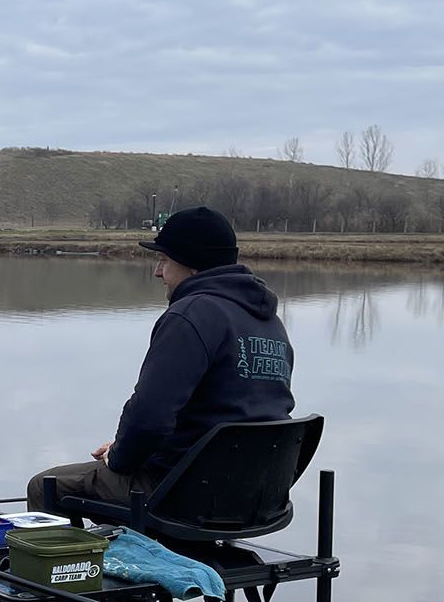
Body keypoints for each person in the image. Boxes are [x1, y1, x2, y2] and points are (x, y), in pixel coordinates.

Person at [29, 204, 296, 519]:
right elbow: (230, 415)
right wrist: (124, 447)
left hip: (185, 492)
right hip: (256, 495)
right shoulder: (268, 322)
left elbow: (149, 417)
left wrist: (118, 460)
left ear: (191, 266)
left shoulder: (192, 314)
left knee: (45, 486)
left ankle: (66, 566)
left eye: (164, 260)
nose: (158, 272)